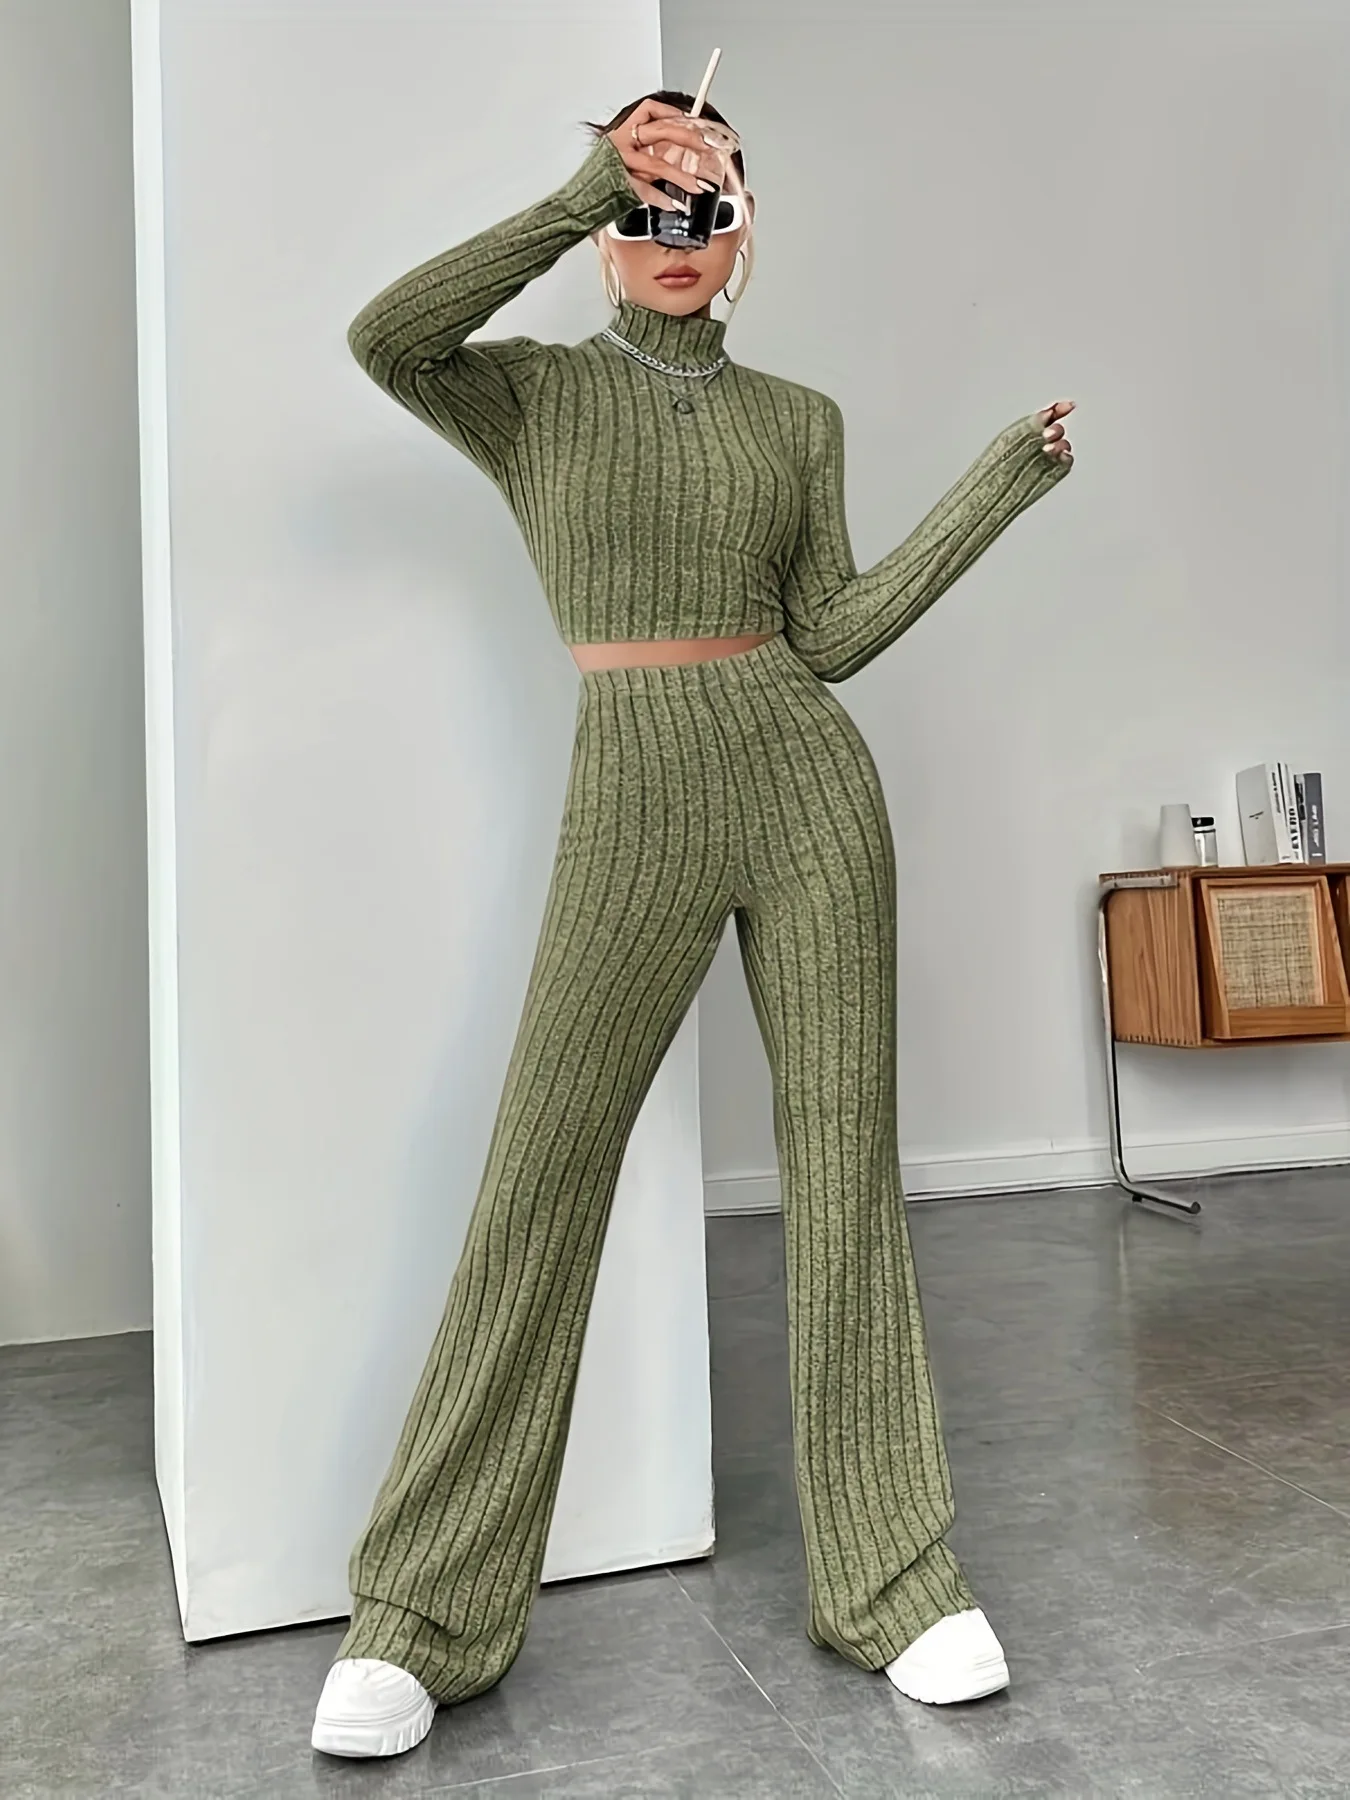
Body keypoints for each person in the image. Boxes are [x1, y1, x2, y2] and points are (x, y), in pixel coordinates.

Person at [311, 90, 1075, 1762]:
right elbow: (385, 336)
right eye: (645, 207)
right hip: (634, 788)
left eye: (704, 207)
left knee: (844, 1172)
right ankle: (423, 1611)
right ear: (605, 228)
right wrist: (579, 183)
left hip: (808, 788)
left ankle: (892, 1578)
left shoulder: (798, 420)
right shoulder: (529, 393)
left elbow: (835, 632)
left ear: (743, 235)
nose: (674, 236)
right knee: (541, 1171)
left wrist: (995, 489)